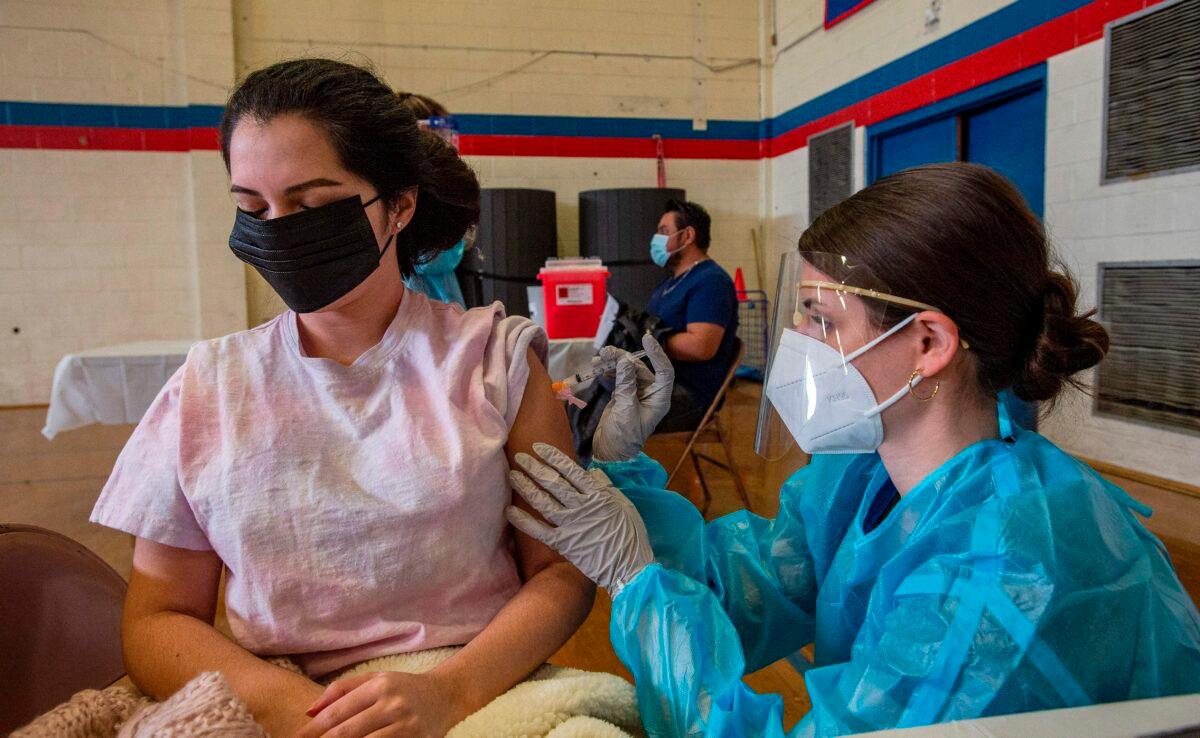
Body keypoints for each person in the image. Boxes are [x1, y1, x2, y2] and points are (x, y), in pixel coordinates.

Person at [506, 163, 1200, 736]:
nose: (800, 344)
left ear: (928, 344)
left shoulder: (1001, 575)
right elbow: (753, 591)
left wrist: (635, 582)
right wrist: (624, 476)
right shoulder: (868, 474)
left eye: (821, 318)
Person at [91, 59, 594, 738]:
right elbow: (157, 618)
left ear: (399, 206)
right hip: (274, 697)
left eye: (314, 204)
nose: (278, 229)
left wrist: (447, 693)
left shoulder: (493, 362)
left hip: (474, 685)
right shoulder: (208, 388)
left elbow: (561, 575)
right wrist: (302, 712)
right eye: (252, 208)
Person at [645, 199, 739, 431]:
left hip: (690, 394)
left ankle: (595, 467)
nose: (656, 239)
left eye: (664, 231)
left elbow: (701, 346)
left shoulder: (711, 282)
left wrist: (647, 343)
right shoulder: (670, 283)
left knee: (607, 408)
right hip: (663, 383)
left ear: (687, 236)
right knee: (591, 392)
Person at [396, 90, 467, 307]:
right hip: (422, 308)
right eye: (440, 133)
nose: (447, 143)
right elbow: (431, 260)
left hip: (439, 302)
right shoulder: (411, 188)